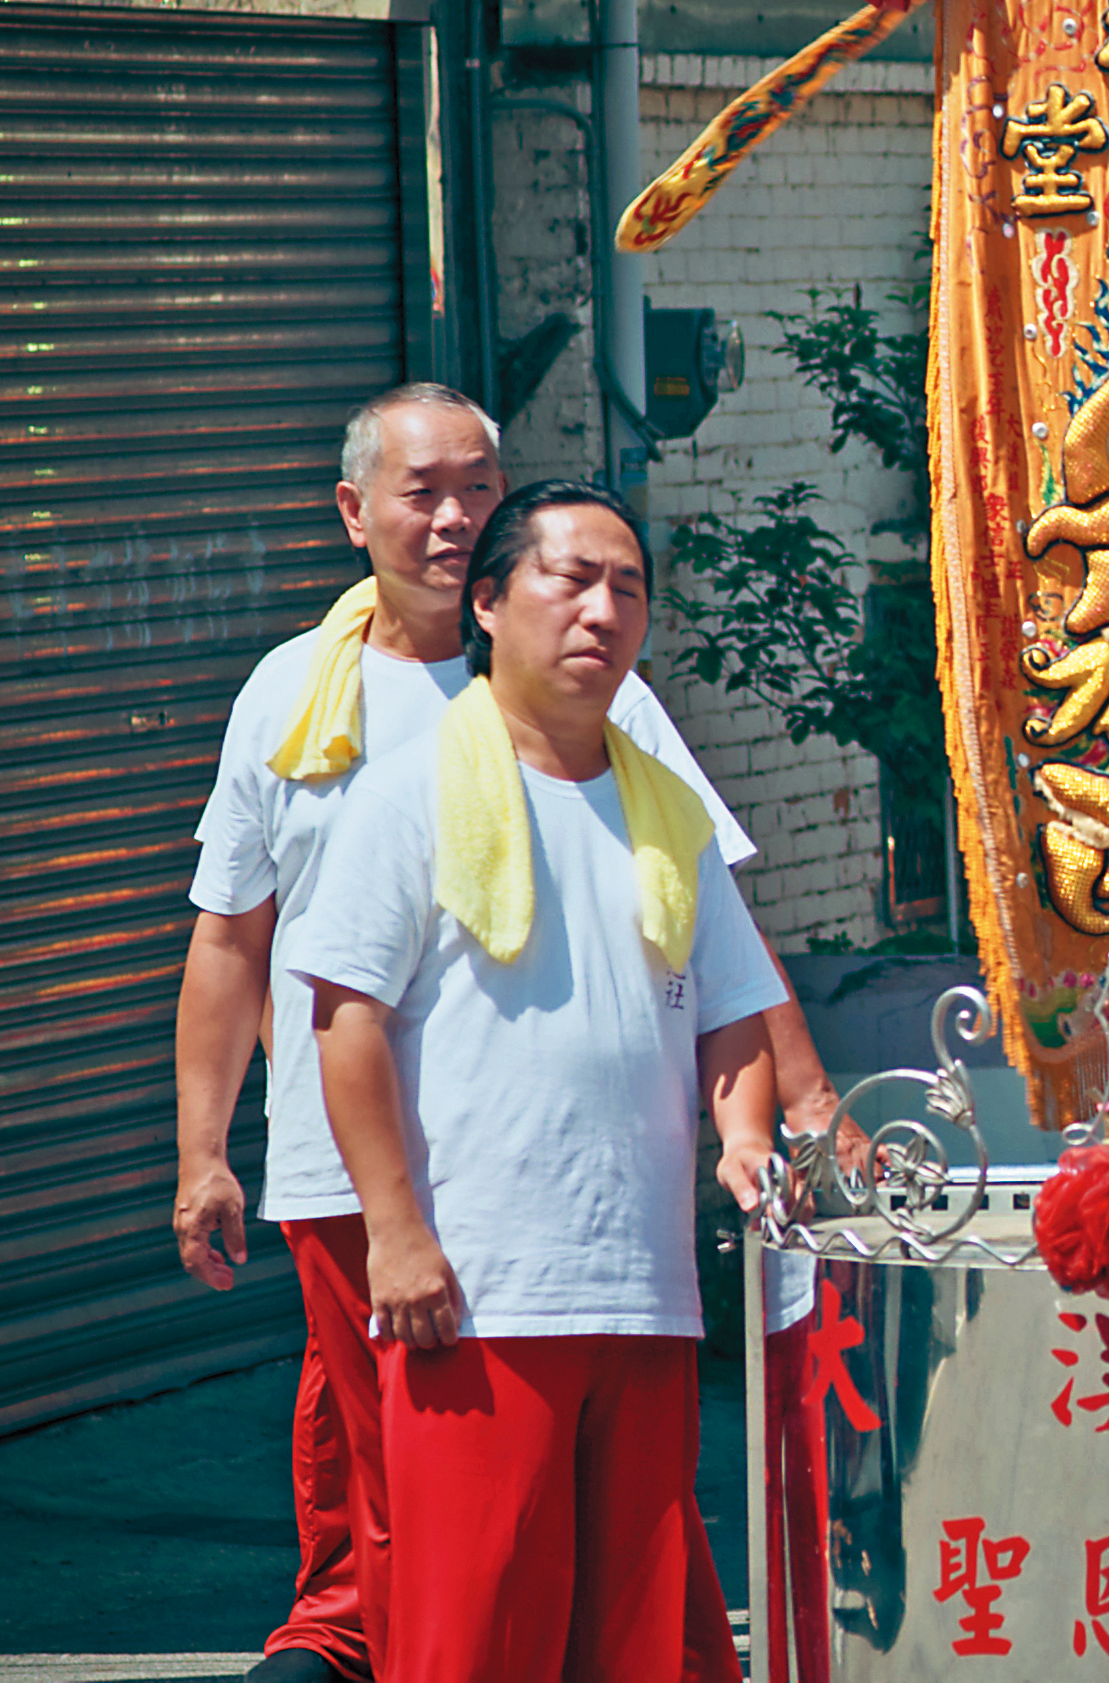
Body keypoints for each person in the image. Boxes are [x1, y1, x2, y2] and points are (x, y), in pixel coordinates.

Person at [167, 386, 797, 1683]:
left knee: (612, 1562)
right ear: (354, 513)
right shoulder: (307, 707)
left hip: (612, 1232)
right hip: (393, 1195)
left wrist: (785, 1116)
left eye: (479, 490)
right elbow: (244, 948)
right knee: (416, 1520)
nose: (455, 518)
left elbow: (719, 954)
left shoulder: (616, 725)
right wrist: (205, 1152)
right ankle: (341, 1643)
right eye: (424, 491)